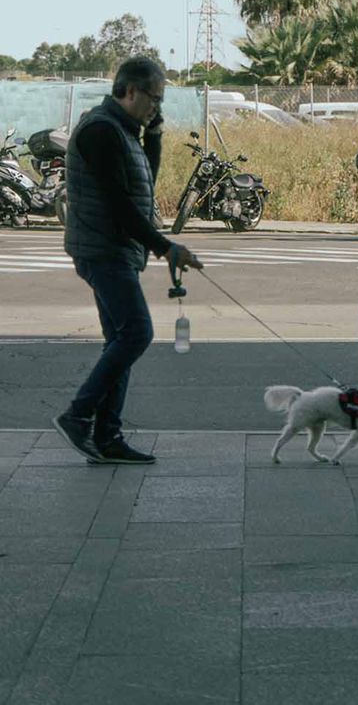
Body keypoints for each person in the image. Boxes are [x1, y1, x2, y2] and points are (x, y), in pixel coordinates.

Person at [52, 56, 202, 465]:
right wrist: (165, 246)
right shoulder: (101, 130)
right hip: (102, 248)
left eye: (161, 101)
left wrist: (153, 135)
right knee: (136, 334)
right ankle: (79, 415)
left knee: (120, 339)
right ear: (129, 90)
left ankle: (108, 435)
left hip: (115, 248)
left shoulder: (123, 130)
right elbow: (120, 204)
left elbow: (144, 185)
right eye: (153, 99)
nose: (157, 107)